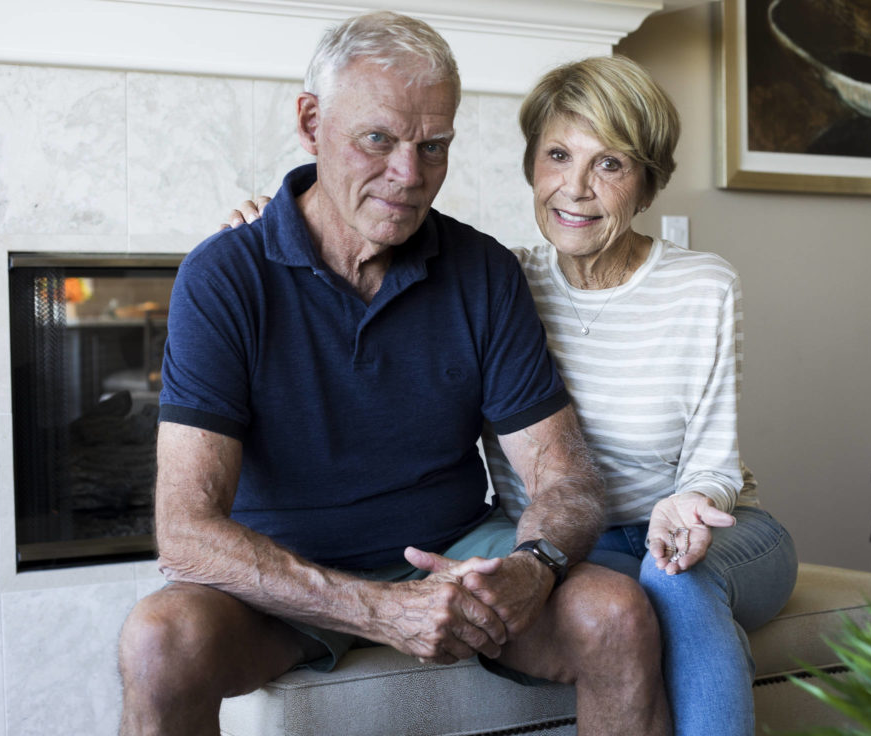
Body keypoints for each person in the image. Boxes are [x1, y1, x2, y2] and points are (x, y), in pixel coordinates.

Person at [117, 12, 670, 736]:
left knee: (616, 613)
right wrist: (378, 609)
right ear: (311, 122)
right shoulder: (224, 276)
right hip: (281, 581)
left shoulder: (482, 271)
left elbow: (565, 478)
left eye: (433, 147)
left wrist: (534, 565)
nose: (409, 178)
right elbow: (184, 531)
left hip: (451, 561)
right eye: (377, 139)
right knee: (158, 640)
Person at [229, 55, 798, 736]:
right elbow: (355, 248)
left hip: (708, 531)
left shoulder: (703, 285)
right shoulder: (498, 282)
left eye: (610, 164)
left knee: (672, 581)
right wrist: (275, 227)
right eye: (558, 155)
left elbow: (715, 455)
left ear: (646, 182)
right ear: (532, 165)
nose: (577, 188)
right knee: (614, 600)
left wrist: (692, 503)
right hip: (565, 541)